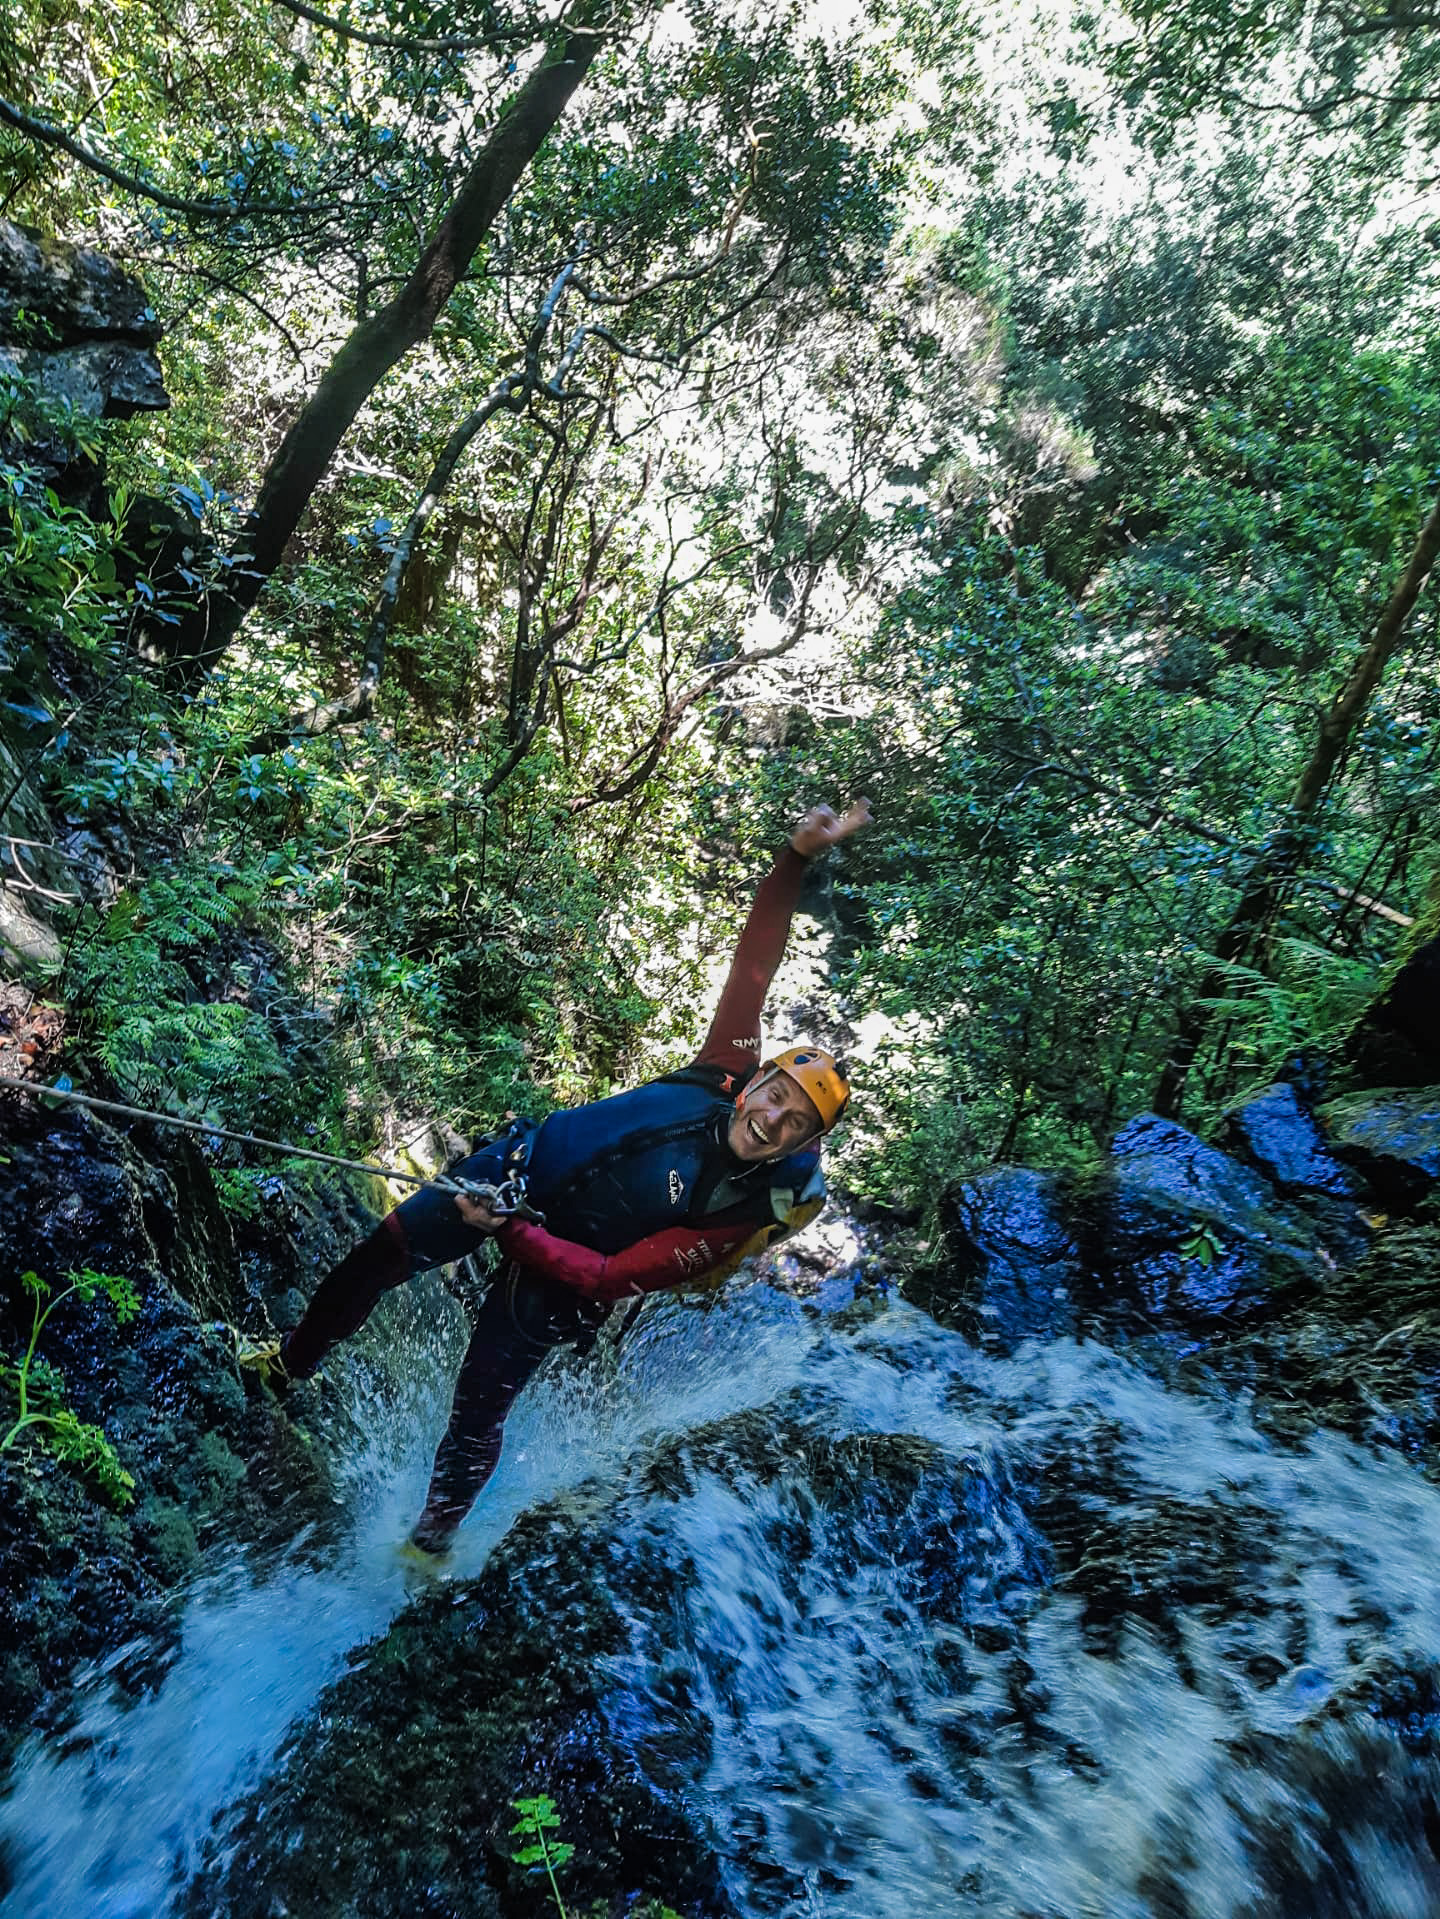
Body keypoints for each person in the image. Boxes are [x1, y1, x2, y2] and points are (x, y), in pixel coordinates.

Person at [245, 798, 871, 1554]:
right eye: (777, 1096)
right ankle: (287, 1367)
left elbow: (610, 1276)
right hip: (510, 1170)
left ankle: (427, 1542)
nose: (773, 1117)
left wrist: (511, 1232)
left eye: (795, 1123)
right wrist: (794, 858)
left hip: (554, 1279)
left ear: (793, 1145)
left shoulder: (735, 1211)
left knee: (478, 1408)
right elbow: (754, 965)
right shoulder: (725, 1065)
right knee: (374, 1258)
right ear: (756, 1081)